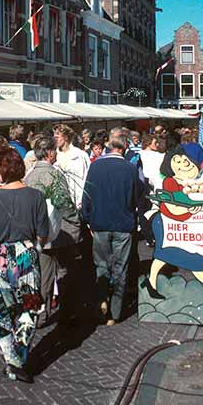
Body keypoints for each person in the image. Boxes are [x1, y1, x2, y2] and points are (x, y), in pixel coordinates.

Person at [0, 148, 49, 383]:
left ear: (1, 170)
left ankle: (12, 361)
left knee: (2, 311)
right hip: (26, 257)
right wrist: (32, 247)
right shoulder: (36, 196)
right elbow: (43, 233)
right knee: (29, 308)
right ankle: (19, 359)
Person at [146, 147, 203, 296]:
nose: (184, 163)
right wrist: (188, 210)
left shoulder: (200, 182)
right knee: (164, 255)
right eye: (178, 162)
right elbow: (172, 207)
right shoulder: (170, 182)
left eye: (185, 159)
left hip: (192, 228)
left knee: (196, 259)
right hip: (169, 226)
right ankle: (151, 285)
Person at [82, 133, 143, 325]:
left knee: (101, 266)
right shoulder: (130, 168)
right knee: (120, 268)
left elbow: (87, 195)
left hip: (100, 223)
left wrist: (88, 218)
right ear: (124, 147)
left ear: (109, 146)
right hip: (123, 225)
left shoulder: (95, 166)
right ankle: (115, 313)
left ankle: (102, 302)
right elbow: (137, 197)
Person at [25, 135, 83, 325]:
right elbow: (64, 203)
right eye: (54, 151)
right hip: (57, 232)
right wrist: (75, 223)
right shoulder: (54, 175)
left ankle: (40, 311)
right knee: (63, 272)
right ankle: (63, 311)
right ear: (49, 153)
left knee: (42, 274)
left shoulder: (30, 175)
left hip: (37, 233)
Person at [54, 124, 90, 209]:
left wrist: (82, 200)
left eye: (57, 137)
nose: (55, 140)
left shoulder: (80, 155)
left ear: (66, 137)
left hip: (78, 201)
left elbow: (86, 177)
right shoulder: (54, 156)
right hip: (60, 203)